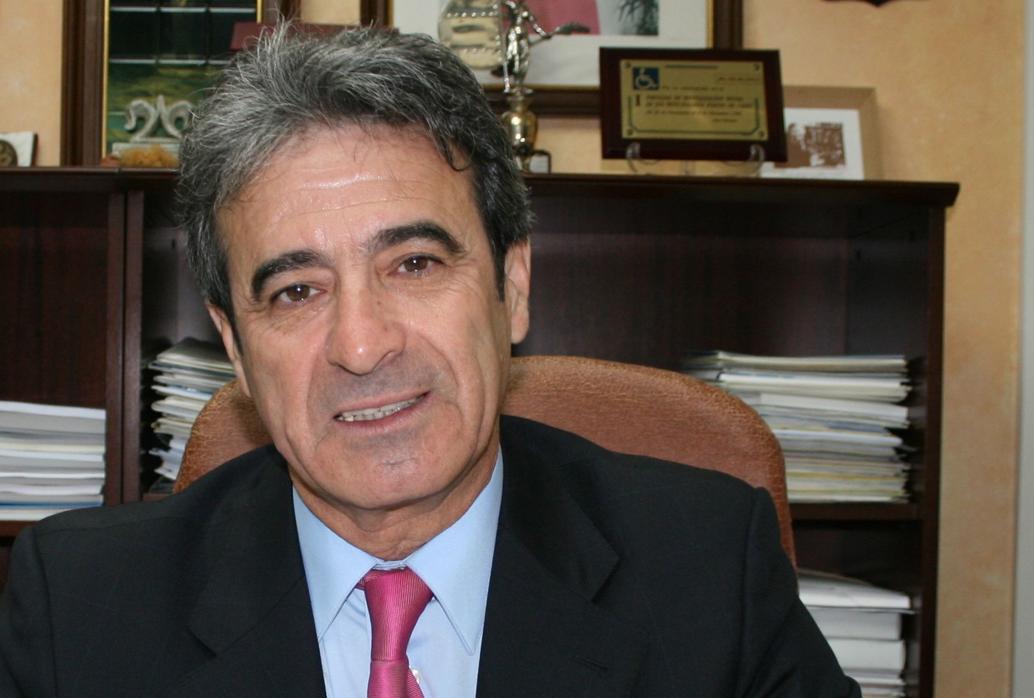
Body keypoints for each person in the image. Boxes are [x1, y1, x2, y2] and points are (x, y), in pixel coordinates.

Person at [0, 25, 860, 698]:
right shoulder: (80, 606)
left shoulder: (706, 566)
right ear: (235, 345)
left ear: (511, 287)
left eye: (413, 264)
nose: (362, 345)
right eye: (296, 291)